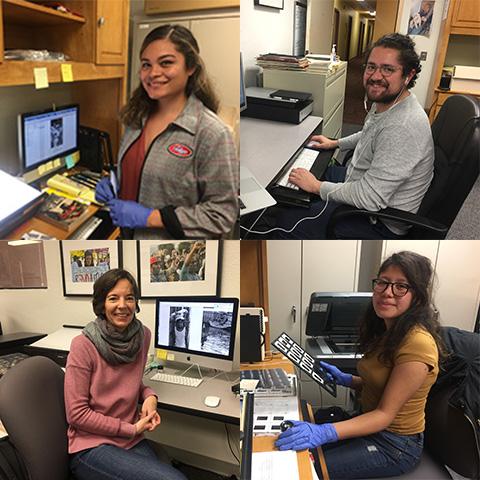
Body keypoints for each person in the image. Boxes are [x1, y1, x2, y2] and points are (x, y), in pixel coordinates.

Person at [275, 251, 445, 478]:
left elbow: (385, 414)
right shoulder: (387, 329)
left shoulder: (417, 344)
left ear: (418, 296)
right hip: (368, 422)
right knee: (293, 440)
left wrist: (325, 432)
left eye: (401, 286)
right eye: (383, 283)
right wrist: (347, 380)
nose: (387, 292)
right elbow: (380, 385)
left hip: (394, 444)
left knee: (303, 469)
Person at [260, 33, 434, 240]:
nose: (376, 76)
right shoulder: (389, 103)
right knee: (297, 182)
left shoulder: (403, 126)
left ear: (408, 75)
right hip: (362, 180)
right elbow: (371, 133)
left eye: (388, 69)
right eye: (371, 67)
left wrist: (316, 186)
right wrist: (335, 143)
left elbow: (370, 198)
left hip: (376, 221)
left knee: (286, 221)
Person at [95, 24, 238, 239]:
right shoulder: (136, 118)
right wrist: (116, 180)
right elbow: (144, 166)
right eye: (146, 65)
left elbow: (222, 215)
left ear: (190, 67)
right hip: (127, 237)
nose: (153, 73)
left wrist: (151, 217)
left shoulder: (210, 133)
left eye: (166, 63)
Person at [64, 269, 187, 480]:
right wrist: (130, 428)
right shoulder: (83, 345)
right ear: (102, 304)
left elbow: (131, 382)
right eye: (113, 298)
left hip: (130, 437)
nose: (123, 305)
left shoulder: (142, 336)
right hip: (92, 444)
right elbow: (77, 414)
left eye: (129, 298)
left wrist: (149, 396)